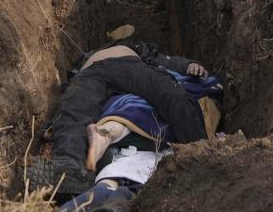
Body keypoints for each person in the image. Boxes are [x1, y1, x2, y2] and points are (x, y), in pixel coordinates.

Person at [27, 41, 210, 195]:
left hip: (127, 66)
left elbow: (167, 61)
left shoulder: (136, 48)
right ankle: (69, 168)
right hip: (90, 73)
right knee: (73, 111)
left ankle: (201, 154)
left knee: (172, 95)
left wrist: (188, 64)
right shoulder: (83, 62)